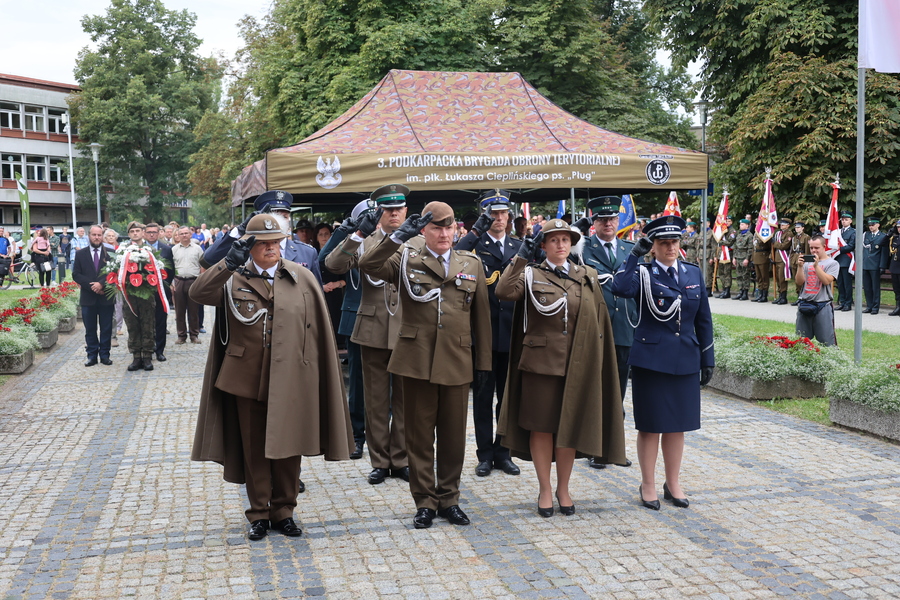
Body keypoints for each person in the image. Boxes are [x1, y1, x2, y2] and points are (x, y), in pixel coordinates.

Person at [190, 213, 353, 541]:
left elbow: (318, 329)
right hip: (245, 377)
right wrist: (227, 263)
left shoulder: (301, 277)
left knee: (289, 447)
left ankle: (285, 511)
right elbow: (198, 293)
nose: (272, 249)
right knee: (254, 449)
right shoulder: (233, 278)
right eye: (263, 244)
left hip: (292, 376)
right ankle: (259, 513)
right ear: (249, 246)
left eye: (276, 242)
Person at [358, 202, 492, 529]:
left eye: (449, 228)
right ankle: (424, 501)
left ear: (456, 229)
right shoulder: (405, 260)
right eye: (436, 228)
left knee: (453, 437)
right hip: (416, 361)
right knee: (419, 439)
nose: (444, 234)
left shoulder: (470, 264)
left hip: (456, 361)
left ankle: (450, 498)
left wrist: (483, 364)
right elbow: (368, 263)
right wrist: (396, 237)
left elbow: (481, 320)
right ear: (424, 231)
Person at [498, 219, 626, 518]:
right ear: (543, 245)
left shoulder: (587, 275)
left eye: (565, 240)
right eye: (553, 240)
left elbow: (598, 322)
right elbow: (503, 291)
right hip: (541, 365)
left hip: (578, 364)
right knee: (542, 428)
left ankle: (563, 488)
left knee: (568, 426)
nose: (560, 245)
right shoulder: (530, 274)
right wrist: (520, 257)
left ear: (572, 244)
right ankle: (544, 488)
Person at [612, 215, 715, 510]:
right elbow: (619, 287)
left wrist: (707, 358)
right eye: (663, 243)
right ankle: (648, 484)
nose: (670, 247)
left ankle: (673, 482)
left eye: (674, 242)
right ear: (653, 246)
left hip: (685, 358)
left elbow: (703, 320)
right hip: (652, 360)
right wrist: (634, 254)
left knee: (677, 425)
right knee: (650, 425)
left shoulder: (693, 273)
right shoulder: (643, 273)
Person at [324, 184, 418, 486]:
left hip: (408, 328)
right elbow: (333, 265)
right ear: (379, 212)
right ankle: (380, 461)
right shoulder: (366, 240)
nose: (393, 214)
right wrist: (357, 235)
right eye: (387, 209)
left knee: (405, 399)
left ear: (405, 211)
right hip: (372, 326)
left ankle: (400, 458)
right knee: (375, 399)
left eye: (398, 209)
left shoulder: (418, 241)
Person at [454, 189, 522, 478]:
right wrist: (474, 231)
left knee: (507, 399)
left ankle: (503, 452)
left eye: (503, 213)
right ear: (485, 215)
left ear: (510, 215)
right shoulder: (473, 245)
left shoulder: (519, 246)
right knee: (483, 397)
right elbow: (454, 256)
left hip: (511, 333)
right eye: (493, 213)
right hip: (482, 332)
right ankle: (484, 455)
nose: (499, 218)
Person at [573, 196, 636, 470]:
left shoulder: (631, 249)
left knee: (618, 390)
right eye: (601, 219)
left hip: (624, 328)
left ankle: (614, 446)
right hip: (596, 327)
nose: (608, 223)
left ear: (618, 221)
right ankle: (594, 447)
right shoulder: (582, 249)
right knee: (597, 388)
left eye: (612, 218)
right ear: (594, 223)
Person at [320, 199, 377, 460]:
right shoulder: (351, 245)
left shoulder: (388, 241)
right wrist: (348, 230)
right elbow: (324, 263)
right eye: (366, 217)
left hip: (388, 317)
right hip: (356, 316)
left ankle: (385, 437)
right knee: (357, 380)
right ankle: (357, 435)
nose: (372, 221)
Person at [204, 190, 322, 285]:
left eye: (284, 216)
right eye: (275, 216)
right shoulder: (247, 249)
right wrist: (240, 231)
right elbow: (209, 260)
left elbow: (316, 295)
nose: (280, 222)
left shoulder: (307, 252)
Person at [72, 225, 115, 367]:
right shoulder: (80, 254)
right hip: (88, 297)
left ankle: (104, 355)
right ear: (89, 236)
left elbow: (113, 272)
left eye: (99, 235)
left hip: (105, 297)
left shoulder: (110, 252)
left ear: (102, 236)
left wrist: (101, 284)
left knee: (106, 328)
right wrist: (92, 286)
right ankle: (91, 355)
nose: (96, 237)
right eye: (94, 235)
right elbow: (76, 274)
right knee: (90, 329)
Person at [121, 221, 158, 372]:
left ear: (143, 233)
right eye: (132, 231)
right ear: (129, 234)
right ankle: (136, 356)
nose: (135, 233)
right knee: (132, 324)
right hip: (129, 294)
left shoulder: (150, 250)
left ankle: (147, 356)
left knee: (148, 324)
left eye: (138, 231)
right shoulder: (123, 251)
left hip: (146, 294)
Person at [795, 235, 839, 346]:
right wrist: (800, 267)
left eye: (817, 248)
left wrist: (816, 266)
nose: (814, 250)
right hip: (805, 303)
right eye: (811, 248)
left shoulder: (833, 263)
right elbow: (799, 282)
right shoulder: (806, 263)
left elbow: (826, 281)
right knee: (801, 342)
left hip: (822, 305)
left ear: (824, 247)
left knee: (826, 343)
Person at [144, 223, 174, 362]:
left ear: (159, 233)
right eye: (149, 232)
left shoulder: (166, 249)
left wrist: (164, 286)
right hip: (143, 292)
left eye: (154, 232)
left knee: (161, 322)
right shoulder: (138, 249)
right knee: (145, 322)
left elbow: (171, 271)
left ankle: (160, 350)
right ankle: (146, 349)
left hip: (161, 291)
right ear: (145, 233)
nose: (151, 234)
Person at [171, 226, 204, 344]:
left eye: (186, 233)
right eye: (182, 234)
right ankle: (181, 335)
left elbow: (202, 265)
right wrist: (172, 283)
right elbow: (171, 267)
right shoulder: (174, 249)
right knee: (179, 311)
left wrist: (201, 281)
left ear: (191, 235)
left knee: (193, 310)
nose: (184, 235)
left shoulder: (197, 249)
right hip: (178, 281)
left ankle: (194, 335)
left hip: (193, 281)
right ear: (178, 236)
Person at [312, 222, 345, 341]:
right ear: (316, 237)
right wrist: (321, 287)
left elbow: (347, 279)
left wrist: (336, 284)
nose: (324, 237)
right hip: (318, 294)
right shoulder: (311, 253)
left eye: (327, 234)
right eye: (320, 234)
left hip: (335, 295)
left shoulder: (338, 252)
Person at [861, 218, 887, 314]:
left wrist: (882, 266)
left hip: (875, 265)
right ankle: (869, 306)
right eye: (870, 225)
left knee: (875, 287)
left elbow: (884, 253)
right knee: (867, 287)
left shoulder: (883, 236)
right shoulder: (866, 235)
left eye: (873, 225)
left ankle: (875, 307)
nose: (871, 227)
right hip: (865, 264)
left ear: (878, 225)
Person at [835, 212, 856, 311]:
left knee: (847, 284)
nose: (844, 221)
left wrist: (839, 249)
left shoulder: (853, 232)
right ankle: (842, 302)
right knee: (840, 283)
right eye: (842, 219)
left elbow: (851, 246)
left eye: (846, 219)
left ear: (851, 221)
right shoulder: (838, 232)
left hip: (847, 260)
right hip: (838, 260)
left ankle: (848, 303)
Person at [771, 218, 794, 305]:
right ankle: (780, 295)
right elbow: (774, 248)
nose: (782, 226)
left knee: (782, 278)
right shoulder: (778, 233)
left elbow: (784, 246)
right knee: (777, 278)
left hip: (783, 258)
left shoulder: (789, 234)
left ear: (788, 225)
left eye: (784, 224)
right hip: (777, 258)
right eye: (781, 224)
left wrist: (775, 243)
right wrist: (771, 257)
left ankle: (783, 297)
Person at [789, 222, 811, 306]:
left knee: (803, 279)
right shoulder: (794, 238)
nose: (797, 229)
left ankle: (804, 297)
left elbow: (807, 251)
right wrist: (791, 258)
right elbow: (792, 250)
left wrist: (805, 261)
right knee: (796, 279)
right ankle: (799, 296)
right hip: (795, 259)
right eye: (796, 228)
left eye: (799, 227)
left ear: (803, 228)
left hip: (802, 258)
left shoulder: (806, 237)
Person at [732, 219, 754, 301]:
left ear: (747, 226)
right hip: (738, 256)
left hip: (744, 256)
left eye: (742, 224)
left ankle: (745, 292)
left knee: (745, 275)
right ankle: (740, 291)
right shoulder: (739, 235)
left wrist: (747, 259)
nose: (740, 226)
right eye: (740, 224)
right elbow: (735, 247)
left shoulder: (749, 235)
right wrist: (734, 257)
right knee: (739, 275)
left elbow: (750, 248)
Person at [716, 216, 736, 298]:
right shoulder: (722, 230)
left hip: (728, 254)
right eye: (726, 221)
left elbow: (729, 242)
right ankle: (723, 289)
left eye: (728, 221)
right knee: (721, 272)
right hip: (721, 254)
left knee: (727, 272)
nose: (726, 223)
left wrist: (720, 241)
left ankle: (727, 290)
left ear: (731, 222)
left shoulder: (732, 231)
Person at [751, 225, 772, 302]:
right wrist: (752, 258)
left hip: (763, 257)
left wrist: (769, 256)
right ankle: (760, 294)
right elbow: (754, 247)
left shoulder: (765, 233)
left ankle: (764, 295)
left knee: (764, 277)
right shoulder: (756, 234)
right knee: (759, 277)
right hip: (756, 257)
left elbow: (770, 247)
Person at [885, 219, 900, 316]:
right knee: (897, 289)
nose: (899, 229)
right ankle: (898, 306)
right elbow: (882, 244)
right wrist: (888, 235)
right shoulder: (894, 238)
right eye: (898, 227)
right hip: (895, 267)